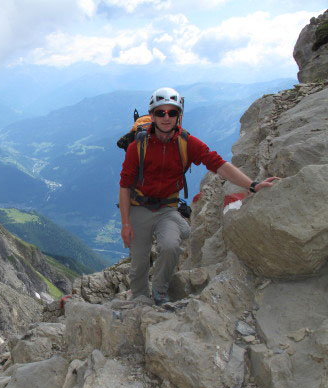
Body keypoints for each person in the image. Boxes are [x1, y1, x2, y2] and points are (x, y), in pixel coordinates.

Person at [118, 87, 279, 305]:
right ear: (153, 115)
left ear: (179, 115)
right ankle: (138, 297)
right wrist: (126, 223)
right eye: (160, 113)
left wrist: (252, 185)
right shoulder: (137, 147)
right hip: (139, 207)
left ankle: (159, 292)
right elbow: (125, 186)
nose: (166, 118)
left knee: (170, 247)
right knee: (139, 260)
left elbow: (218, 164)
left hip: (167, 208)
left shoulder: (187, 143)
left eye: (172, 113)